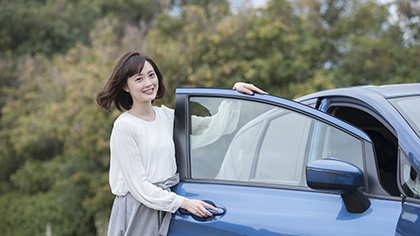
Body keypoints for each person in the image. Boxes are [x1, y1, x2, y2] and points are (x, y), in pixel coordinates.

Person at [96, 51, 267, 236]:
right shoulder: (125, 126)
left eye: (151, 75)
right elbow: (139, 187)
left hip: (168, 204)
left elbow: (213, 128)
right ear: (125, 87)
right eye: (139, 79)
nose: (148, 83)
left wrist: (234, 95)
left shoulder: (166, 117)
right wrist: (183, 203)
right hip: (139, 210)